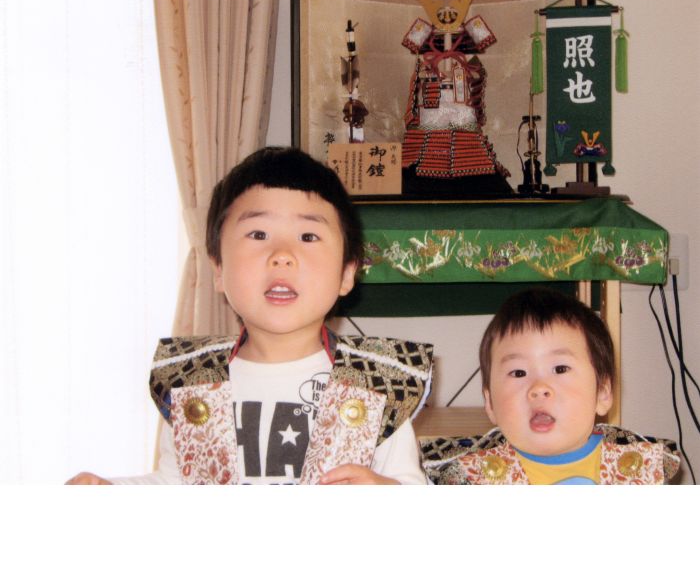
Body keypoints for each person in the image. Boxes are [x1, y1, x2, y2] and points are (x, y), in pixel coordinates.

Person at [67, 147, 432, 485]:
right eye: (258, 234)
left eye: (308, 236)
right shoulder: (190, 379)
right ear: (218, 268)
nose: (282, 255)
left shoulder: (378, 382)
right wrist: (109, 489)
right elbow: (173, 484)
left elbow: (410, 486)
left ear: (347, 273)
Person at [422, 288, 679, 485]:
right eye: (518, 372)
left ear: (602, 392)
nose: (539, 388)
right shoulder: (470, 477)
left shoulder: (637, 469)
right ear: (490, 403)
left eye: (560, 369)